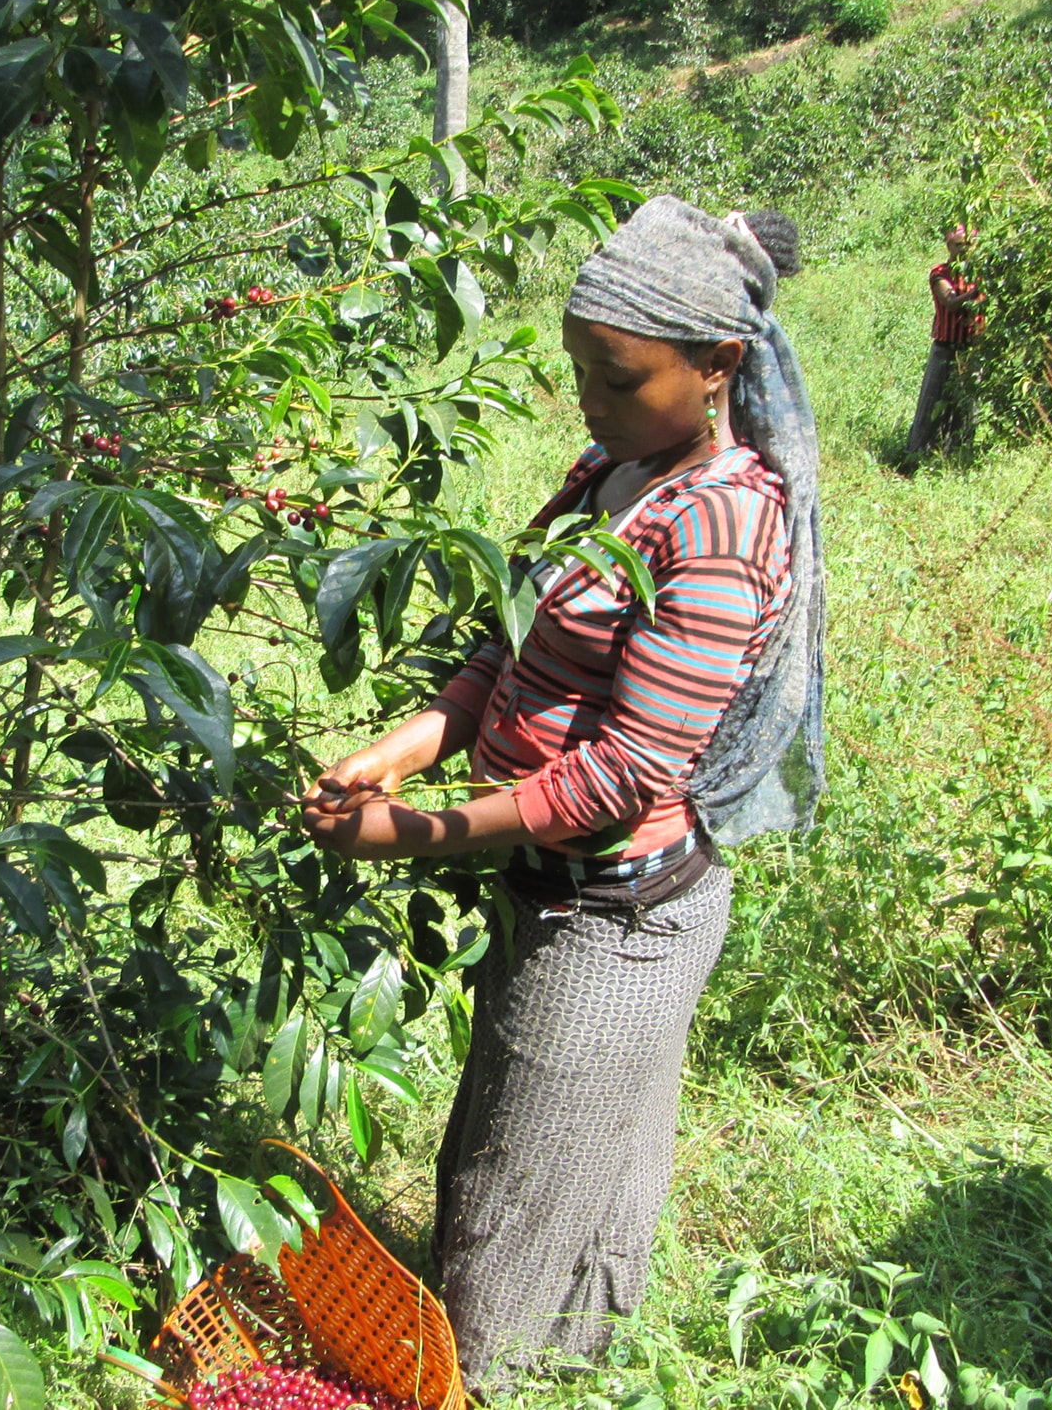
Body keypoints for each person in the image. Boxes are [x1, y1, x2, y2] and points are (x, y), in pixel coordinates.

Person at [301, 197, 826, 1390]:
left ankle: (481, 1377)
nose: (587, 401)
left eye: (617, 377)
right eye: (579, 370)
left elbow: (625, 773)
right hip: (563, 891)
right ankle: (573, 1366)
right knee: (566, 1168)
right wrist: (405, 747)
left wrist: (414, 835)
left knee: (507, 1201)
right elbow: (511, 638)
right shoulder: (618, 469)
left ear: (716, 367)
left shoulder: (719, 523)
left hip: (620, 917)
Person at [905, 223, 983, 460]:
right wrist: (976, 292)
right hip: (945, 349)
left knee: (967, 407)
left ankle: (959, 454)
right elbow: (950, 302)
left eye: (968, 244)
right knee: (932, 403)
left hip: (971, 349)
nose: (963, 249)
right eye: (958, 244)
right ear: (949, 246)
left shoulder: (980, 272)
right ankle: (916, 454)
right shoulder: (940, 272)